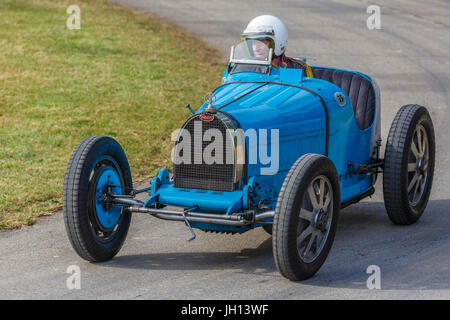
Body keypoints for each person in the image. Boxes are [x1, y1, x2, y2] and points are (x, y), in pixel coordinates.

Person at [241, 15, 315, 78]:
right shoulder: (241, 67)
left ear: (279, 42)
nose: (256, 48)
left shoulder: (299, 69)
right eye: (254, 43)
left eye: (263, 42)